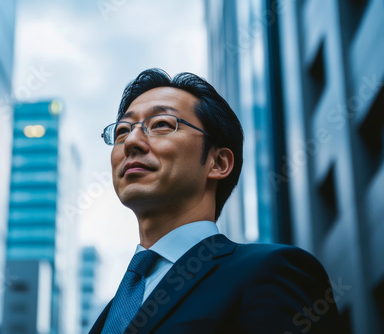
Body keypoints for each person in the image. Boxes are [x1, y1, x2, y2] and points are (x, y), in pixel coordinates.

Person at [89, 68, 340, 334]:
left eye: (161, 124)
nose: (131, 142)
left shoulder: (271, 272)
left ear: (218, 163)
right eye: (122, 130)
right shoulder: (110, 313)